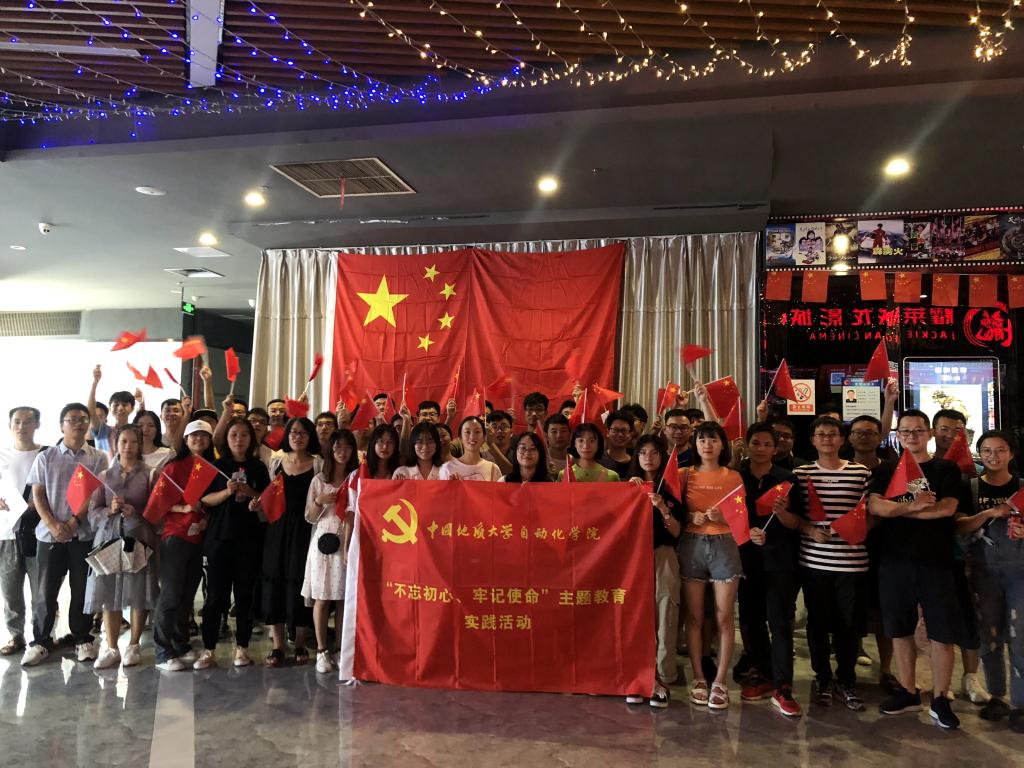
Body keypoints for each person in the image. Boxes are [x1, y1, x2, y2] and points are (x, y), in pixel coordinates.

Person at [869, 410, 964, 729]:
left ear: (930, 434)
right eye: (905, 431)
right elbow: (875, 506)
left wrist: (896, 511)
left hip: (936, 562)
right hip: (894, 560)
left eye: (918, 430)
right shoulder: (887, 469)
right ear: (898, 434)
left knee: (941, 632)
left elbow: (946, 509)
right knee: (899, 629)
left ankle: (940, 698)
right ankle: (908, 691)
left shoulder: (946, 468)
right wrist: (913, 506)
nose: (912, 435)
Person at [22, 402, 110, 667]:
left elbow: (94, 494)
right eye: (72, 419)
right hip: (49, 536)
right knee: (45, 591)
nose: (79, 423)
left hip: (83, 535)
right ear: (61, 425)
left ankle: (82, 638)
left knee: (82, 588)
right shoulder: (46, 457)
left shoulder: (98, 457)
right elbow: (38, 494)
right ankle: (41, 641)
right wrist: (52, 524)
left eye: (83, 419)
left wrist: (73, 522)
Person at [793, 416, 871, 712]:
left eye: (832, 434)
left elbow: (870, 512)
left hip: (853, 563)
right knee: (817, 624)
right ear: (812, 440)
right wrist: (809, 530)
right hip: (814, 562)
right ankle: (822, 678)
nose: (827, 439)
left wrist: (852, 529)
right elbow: (794, 515)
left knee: (848, 626)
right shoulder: (801, 474)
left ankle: (847, 680)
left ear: (842, 439)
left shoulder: (860, 472)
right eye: (821, 434)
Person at [955, 430, 1024, 732]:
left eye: (1000, 450)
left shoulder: (1021, 487)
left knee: (1021, 637)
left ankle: (1020, 704)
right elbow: (959, 526)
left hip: (1020, 573)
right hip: (982, 573)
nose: (993, 457)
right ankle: (997, 696)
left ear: (1011, 453)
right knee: (989, 636)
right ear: (980, 454)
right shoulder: (970, 488)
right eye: (987, 451)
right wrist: (989, 513)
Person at [736, 423, 804, 716]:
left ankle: (783, 685)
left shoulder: (788, 479)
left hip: (780, 562)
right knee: (751, 620)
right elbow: (729, 517)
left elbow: (797, 523)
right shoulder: (736, 476)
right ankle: (762, 674)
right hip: (746, 559)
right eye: (756, 443)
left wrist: (781, 512)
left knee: (779, 622)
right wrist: (747, 532)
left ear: (775, 449)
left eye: (767, 444)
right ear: (747, 445)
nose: (761, 448)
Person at [194, 416, 269, 669]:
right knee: (215, 596)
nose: (239, 439)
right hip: (219, 538)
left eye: (244, 435)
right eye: (234, 435)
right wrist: (227, 491)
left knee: (245, 596)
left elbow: (267, 500)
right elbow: (205, 500)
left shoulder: (258, 467)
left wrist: (252, 494)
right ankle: (209, 649)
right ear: (226, 438)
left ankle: (243, 648)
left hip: (249, 539)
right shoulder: (216, 466)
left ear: (251, 439)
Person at [679, 421, 744, 710]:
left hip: (724, 546)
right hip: (691, 545)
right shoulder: (683, 475)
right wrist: (688, 517)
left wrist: (723, 517)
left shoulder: (733, 476)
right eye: (702, 440)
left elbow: (742, 518)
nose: (707, 445)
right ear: (695, 444)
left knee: (724, 617)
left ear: (722, 444)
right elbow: (673, 511)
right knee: (693, 617)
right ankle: (698, 677)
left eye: (713, 439)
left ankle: (720, 681)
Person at [84, 424, 157, 669]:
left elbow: (157, 511)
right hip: (108, 539)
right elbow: (93, 512)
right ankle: (112, 647)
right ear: (115, 443)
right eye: (123, 441)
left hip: (139, 538)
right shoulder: (104, 476)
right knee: (109, 595)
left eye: (133, 442)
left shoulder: (150, 474)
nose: (128, 447)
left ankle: (134, 645)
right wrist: (109, 510)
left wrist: (136, 512)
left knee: (138, 593)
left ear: (140, 444)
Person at [930, 409, 988, 703]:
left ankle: (971, 677)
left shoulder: (975, 472)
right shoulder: (922, 469)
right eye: (944, 428)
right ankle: (942, 680)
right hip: (934, 554)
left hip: (968, 555)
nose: (950, 434)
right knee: (938, 620)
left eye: (957, 429)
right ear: (933, 431)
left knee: (970, 616)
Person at [624, 435, 683, 708]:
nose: (648, 457)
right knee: (635, 616)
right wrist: (629, 493)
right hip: (633, 559)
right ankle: (636, 676)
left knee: (665, 611)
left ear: (662, 456)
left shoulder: (671, 488)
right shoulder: (628, 485)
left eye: (654, 452)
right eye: (643, 452)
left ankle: (662, 677)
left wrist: (662, 508)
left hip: (663, 555)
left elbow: (677, 532)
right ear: (636, 457)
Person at [152, 420, 214, 671]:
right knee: (170, 594)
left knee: (187, 594)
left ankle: (180, 643)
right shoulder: (174, 467)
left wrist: (206, 518)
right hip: (176, 536)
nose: (198, 439)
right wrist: (184, 507)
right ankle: (162, 651)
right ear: (186, 440)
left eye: (204, 435)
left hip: (199, 537)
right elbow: (159, 501)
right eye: (193, 435)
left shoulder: (212, 468)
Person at [261, 417, 321, 667]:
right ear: (287, 435)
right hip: (277, 528)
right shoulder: (276, 462)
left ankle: (299, 642)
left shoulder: (318, 464)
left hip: (306, 530)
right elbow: (268, 496)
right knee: (274, 580)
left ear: (310, 437)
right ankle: (277, 645)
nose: (298, 437)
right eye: (294, 432)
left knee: (300, 582)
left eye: (303, 433)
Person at [845, 414, 898, 690]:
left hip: (885, 550)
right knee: (850, 611)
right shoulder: (840, 468)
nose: (864, 437)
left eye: (870, 432)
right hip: (847, 551)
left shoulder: (893, 469)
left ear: (880, 437)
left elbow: (910, 500)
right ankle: (846, 670)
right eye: (858, 432)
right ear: (849, 437)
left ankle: (886, 670)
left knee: (884, 612)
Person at [303, 429, 359, 673]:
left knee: (343, 598)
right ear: (330, 450)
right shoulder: (319, 480)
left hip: (349, 541)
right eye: (337, 447)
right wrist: (319, 501)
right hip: (323, 543)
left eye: (347, 447)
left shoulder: (356, 478)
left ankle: (340, 648)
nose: (342, 452)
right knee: (323, 598)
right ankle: (321, 650)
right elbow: (309, 516)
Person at [0, 406, 44, 658]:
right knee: (10, 590)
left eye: (28, 421)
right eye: (17, 421)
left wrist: (37, 504)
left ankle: (41, 636)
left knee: (41, 590)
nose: (22, 426)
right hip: (6, 533)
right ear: (10, 425)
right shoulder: (2, 455)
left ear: (37, 424)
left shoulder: (45, 454)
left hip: (38, 532)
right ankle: (16, 635)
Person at [87, 365, 137, 455]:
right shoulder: (103, 431)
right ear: (110, 408)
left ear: (132, 408)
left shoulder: (136, 432)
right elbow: (91, 412)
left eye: (124, 405)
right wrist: (95, 383)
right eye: (116, 405)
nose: (120, 408)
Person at [440, 417, 501, 481]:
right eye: (467, 432)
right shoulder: (447, 468)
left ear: (484, 437)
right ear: (460, 438)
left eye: (477, 432)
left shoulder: (493, 469)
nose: (472, 437)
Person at [600, 411, 633, 477]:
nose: (620, 434)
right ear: (607, 432)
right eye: (615, 430)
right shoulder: (598, 460)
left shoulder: (637, 462)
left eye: (624, 430)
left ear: (630, 434)